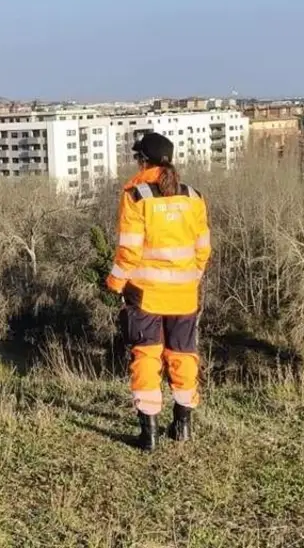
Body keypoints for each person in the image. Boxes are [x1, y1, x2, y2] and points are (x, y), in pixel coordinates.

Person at [105, 132, 211, 450]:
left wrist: (114, 282)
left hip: (146, 294)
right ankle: (183, 425)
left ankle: (148, 433)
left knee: (146, 356)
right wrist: (191, 277)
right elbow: (203, 248)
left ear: (142, 160)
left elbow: (129, 251)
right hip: (185, 293)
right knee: (183, 355)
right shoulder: (193, 197)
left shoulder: (136, 196)